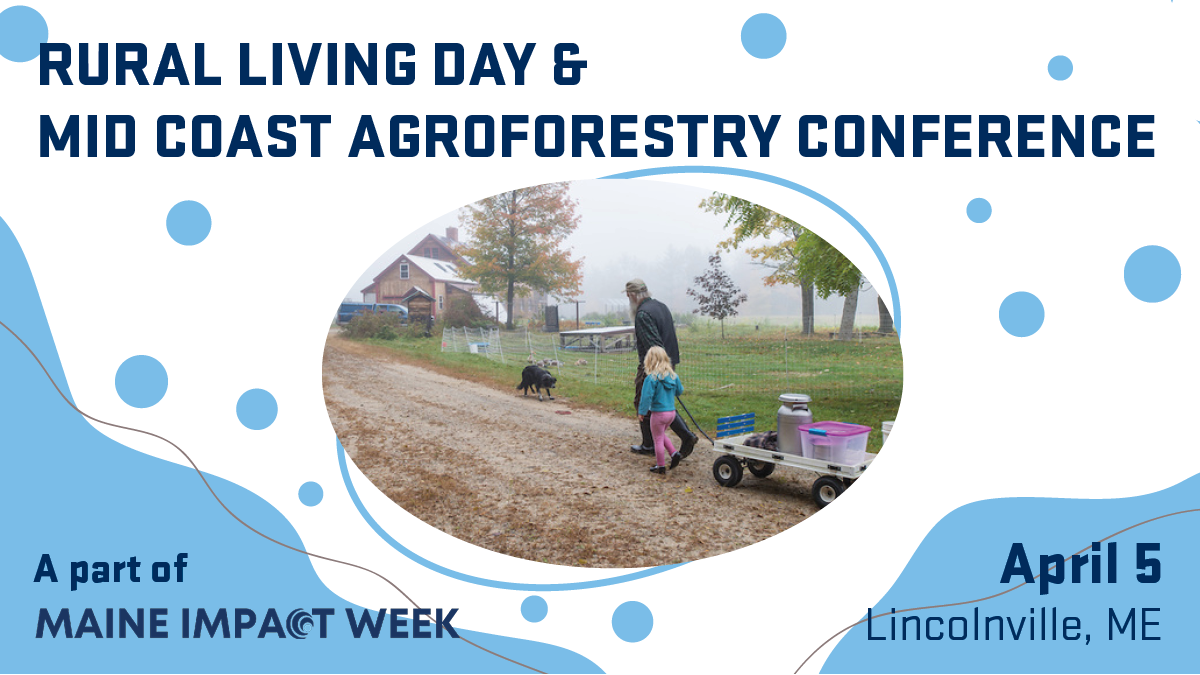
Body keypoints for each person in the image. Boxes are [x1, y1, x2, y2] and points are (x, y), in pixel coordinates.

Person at [625, 279, 698, 459]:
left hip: (653, 365)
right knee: (662, 402)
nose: (629, 300)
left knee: (644, 401)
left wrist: (655, 370)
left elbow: (654, 345)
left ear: (634, 295)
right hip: (669, 360)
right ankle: (657, 442)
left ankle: (659, 443)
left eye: (628, 296)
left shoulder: (642, 314)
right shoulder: (661, 306)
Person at [638, 346, 683, 474]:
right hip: (671, 413)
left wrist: (642, 412)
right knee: (661, 434)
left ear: (649, 360)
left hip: (658, 413)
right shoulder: (673, 376)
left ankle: (660, 466)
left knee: (657, 438)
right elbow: (679, 391)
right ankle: (674, 453)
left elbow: (646, 397)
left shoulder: (651, 378)